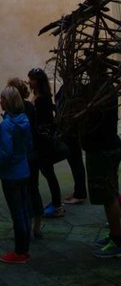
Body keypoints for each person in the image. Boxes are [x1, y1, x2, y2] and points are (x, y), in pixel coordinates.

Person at [81, 74, 121, 258]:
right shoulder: (104, 89)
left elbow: (95, 122)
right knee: (109, 194)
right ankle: (114, 234)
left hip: (104, 149)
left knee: (109, 196)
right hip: (105, 147)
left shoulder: (101, 91)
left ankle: (117, 241)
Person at [0, 85, 32, 264]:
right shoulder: (24, 120)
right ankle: (25, 248)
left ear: (8, 102)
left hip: (11, 174)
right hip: (24, 170)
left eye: (2, 99)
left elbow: (5, 153)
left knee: (16, 213)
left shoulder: (6, 125)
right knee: (24, 210)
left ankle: (19, 252)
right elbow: (29, 145)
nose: (0, 102)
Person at [7, 77, 44, 238]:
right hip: (34, 153)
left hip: (23, 156)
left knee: (22, 192)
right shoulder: (29, 106)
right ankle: (37, 225)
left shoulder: (16, 110)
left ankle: (25, 226)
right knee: (34, 188)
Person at [28, 67, 64, 218]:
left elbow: (43, 120)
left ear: (38, 81)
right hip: (41, 141)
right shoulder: (39, 96)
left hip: (44, 143)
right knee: (47, 172)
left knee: (48, 172)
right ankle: (55, 203)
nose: (29, 82)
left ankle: (57, 205)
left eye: (32, 79)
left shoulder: (43, 99)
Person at [55, 84, 87, 205]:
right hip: (68, 130)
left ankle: (80, 194)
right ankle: (78, 191)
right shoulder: (67, 87)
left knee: (76, 162)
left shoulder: (75, 88)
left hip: (72, 131)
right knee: (74, 162)